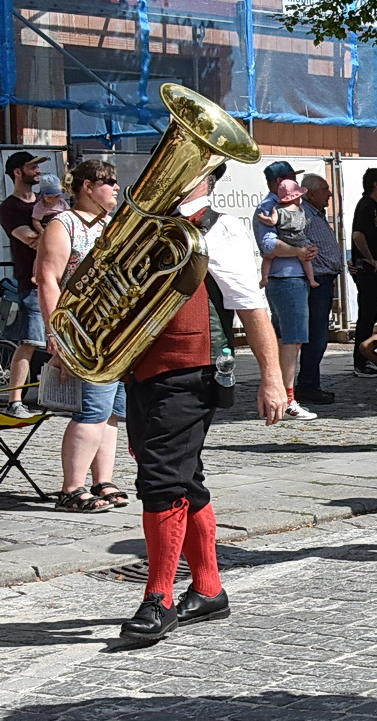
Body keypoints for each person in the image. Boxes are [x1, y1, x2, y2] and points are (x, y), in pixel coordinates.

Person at [118, 167, 289, 641]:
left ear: (206, 175)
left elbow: (252, 305)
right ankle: (210, 589)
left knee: (161, 480)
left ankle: (159, 599)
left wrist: (272, 378)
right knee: (181, 475)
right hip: (140, 365)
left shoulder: (220, 227)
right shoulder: (145, 223)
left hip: (191, 368)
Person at [35, 160, 127, 512]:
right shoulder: (63, 224)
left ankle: (103, 480)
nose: (116, 188)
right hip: (83, 330)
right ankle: (71, 488)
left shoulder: (110, 225)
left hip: (114, 330)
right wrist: (57, 334)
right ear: (87, 186)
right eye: (109, 182)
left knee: (112, 410)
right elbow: (47, 280)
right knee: (92, 410)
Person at [253, 162, 319, 420]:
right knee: (292, 340)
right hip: (288, 279)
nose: (294, 183)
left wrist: (307, 248)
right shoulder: (269, 207)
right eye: (291, 178)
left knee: (284, 339)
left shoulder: (281, 205)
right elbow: (268, 245)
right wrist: (300, 251)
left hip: (289, 278)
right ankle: (289, 399)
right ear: (279, 181)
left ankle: (281, 396)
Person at [3, 150, 48, 418]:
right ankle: (14, 401)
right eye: (32, 167)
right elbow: (28, 238)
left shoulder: (47, 201)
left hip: (59, 280)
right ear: (18, 172)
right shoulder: (9, 208)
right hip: (31, 284)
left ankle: (62, 395)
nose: (38, 171)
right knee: (29, 341)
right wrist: (53, 235)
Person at [295, 174, 342, 405]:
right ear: (310, 193)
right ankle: (307, 384)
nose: (329, 194)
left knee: (319, 334)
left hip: (325, 279)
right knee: (316, 336)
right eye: (325, 189)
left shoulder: (316, 214)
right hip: (316, 281)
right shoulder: (305, 216)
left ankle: (310, 382)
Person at [350, 166, 377, 376]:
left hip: (374, 272)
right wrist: (370, 259)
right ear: (375, 184)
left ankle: (364, 359)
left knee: (370, 316)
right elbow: (358, 235)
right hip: (369, 273)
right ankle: (361, 361)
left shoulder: (374, 206)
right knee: (367, 317)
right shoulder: (366, 205)